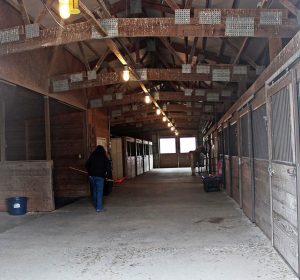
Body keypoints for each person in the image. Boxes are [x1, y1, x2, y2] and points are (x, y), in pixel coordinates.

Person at [85, 145, 110, 212]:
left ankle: (96, 205)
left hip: (92, 176)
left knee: (94, 190)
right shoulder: (104, 156)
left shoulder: (92, 156)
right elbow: (108, 166)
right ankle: (99, 208)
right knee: (99, 192)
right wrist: (106, 174)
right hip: (100, 177)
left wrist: (89, 173)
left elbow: (86, 164)